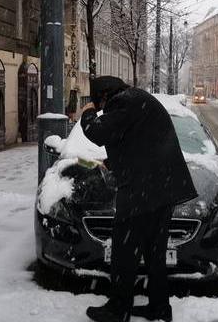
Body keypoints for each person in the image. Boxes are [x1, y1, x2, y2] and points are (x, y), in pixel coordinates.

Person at [80, 76, 197, 322]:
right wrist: (113, 163)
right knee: (155, 254)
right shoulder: (137, 100)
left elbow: (98, 133)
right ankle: (159, 308)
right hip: (162, 190)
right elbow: (141, 143)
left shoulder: (123, 102)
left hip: (143, 192)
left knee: (124, 253)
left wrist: (88, 113)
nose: (101, 109)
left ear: (105, 95)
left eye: (99, 103)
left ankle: (118, 309)